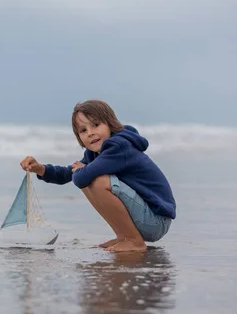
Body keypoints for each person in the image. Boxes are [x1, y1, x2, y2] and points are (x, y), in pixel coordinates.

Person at [20, 100, 176, 252]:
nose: (90, 133)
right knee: (90, 177)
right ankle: (124, 236)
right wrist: (40, 169)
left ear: (110, 123)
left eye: (95, 125)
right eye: (83, 130)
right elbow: (68, 174)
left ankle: (134, 241)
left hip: (156, 221)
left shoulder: (119, 147)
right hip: (146, 219)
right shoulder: (96, 153)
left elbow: (80, 178)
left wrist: (84, 170)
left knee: (98, 181)